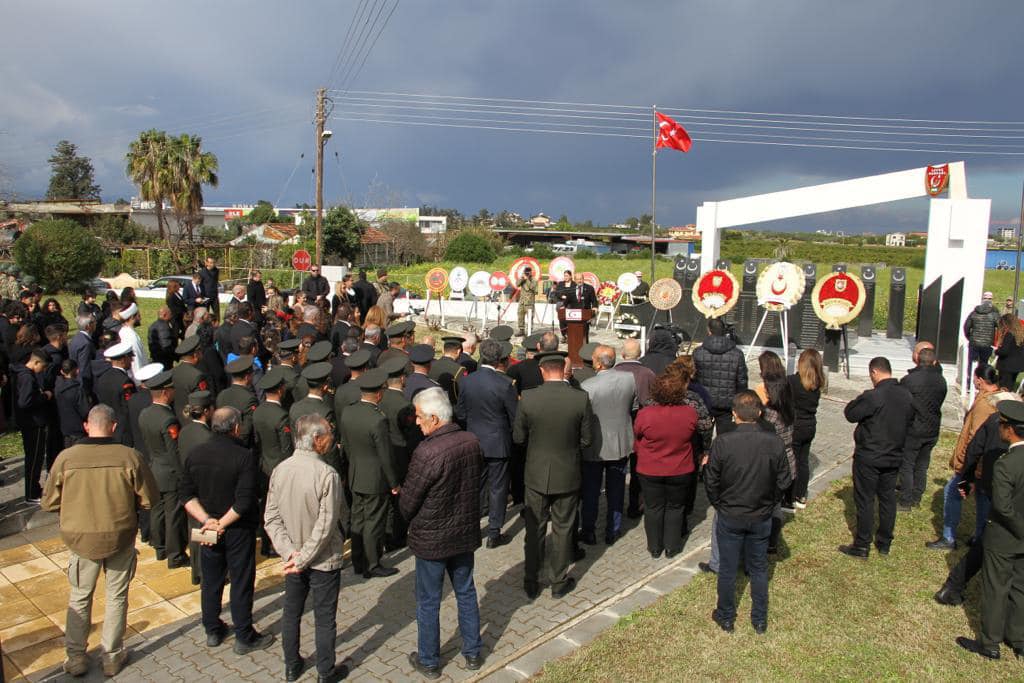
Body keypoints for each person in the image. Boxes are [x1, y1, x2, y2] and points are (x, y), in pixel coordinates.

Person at [41, 405, 159, 678]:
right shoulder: (130, 456)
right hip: (120, 535)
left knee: (80, 597)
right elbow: (149, 499)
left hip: (81, 539)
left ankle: (76, 658)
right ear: (114, 426)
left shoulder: (66, 458)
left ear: (86, 426)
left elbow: (49, 502)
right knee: (116, 597)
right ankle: (112, 657)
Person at [401, 387, 485, 678]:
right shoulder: (471, 441)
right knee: (466, 592)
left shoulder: (427, 452)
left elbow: (409, 501)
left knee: (428, 601)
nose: (416, 422)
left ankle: (429, 660)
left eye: (420, 417)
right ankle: (473, 652)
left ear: (435, 418)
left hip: (432, 540)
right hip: (463, 534)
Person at [179, 407, 273, 654]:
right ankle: (244, 635)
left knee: (211, 580)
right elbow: (243, 503)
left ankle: (212, 628)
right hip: (237, 528)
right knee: (241, 580)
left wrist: (208, 520)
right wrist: (221, 523)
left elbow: (186, 495)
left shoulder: (195, 454)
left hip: (207, 528)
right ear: (236, 427)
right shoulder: (243, 456)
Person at [264, 414, 345, 682]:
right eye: (329, 435)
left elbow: (271, 519)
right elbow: (326, 525)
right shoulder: (327, 474)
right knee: (324, 618)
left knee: (292, 612)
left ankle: (291, 665)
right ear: (318, 440)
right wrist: (301, 557)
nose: (332, 439)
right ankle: (325, 671)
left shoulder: (280, 470)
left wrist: (290, 553)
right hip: (322, 560)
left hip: (294, 558)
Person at [704, 391, 791, 634]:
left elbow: (711, 480)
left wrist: (720, 504)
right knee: (759, 568)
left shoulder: (722, 442)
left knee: (728, 568)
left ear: (734, 415)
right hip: (760, 515)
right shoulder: (773, 442)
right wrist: (770, 501)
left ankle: (726, 615)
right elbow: (784, 480)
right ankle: (759, 619)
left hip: (732, 514)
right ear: (760, 413)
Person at [513, 350, 593, 599]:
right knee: (563, 528)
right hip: (567, 472)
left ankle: (531, 579)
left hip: (536, 473)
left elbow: (518, 437)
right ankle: (558, 581)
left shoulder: (527, 397)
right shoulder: (580, 398)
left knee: (534, 528)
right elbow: (587, 439)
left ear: (542, 370)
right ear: (563, 368)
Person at [935, 390, 1020, 607]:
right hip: (993, 488)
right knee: (986, 537)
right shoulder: (996, 419)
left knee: (985, 534)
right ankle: (954, 581)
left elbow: (974, 448)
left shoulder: (993, 418)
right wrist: (967, 479)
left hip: (987, 484)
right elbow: (974, 448)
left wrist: (968, 477)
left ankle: (954, 583)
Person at [956, 400, 1024, 660]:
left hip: (1005, 536)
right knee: (1020, 587)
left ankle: (990, 643)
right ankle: (1018, 637)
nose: (1000, 429)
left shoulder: (1006, 463)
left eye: (1003, 425)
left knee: (997, 588)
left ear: (1011, 430)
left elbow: (1003, 507)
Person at [839, 357, 913, 558]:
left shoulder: (874, 396)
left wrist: (860, 398)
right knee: (887, 498)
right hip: (894, 455)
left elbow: (850, 413)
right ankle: (885, 542)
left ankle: (862, 544)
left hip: (870, 456)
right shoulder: (906, 395)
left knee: (865, 499)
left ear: (874, 372)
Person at [929, 364, 1002, 551]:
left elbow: (975, 439)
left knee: (952, 492)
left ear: (979, 380)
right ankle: (979, 537)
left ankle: (949, 537)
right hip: (987, 465)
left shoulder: (985, 405)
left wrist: (967, 468)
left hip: (973, 466)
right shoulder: (999, 397)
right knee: (983, 500)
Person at [456, 339, 518, 548]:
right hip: (498, 442)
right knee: (498, 488)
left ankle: (472, 528)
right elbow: (514, 416)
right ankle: (494, 532)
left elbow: (461, 413)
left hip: (474, 440)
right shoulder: (505, 384)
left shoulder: (467, 381)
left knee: (475, 486)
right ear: (500, 358)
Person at [340, 368, 401, 578]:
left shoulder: (349, 411)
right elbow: (385, 455)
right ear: (379, 394)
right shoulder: (378, 420)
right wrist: (394, 482)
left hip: (356, 474)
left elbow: (346, 444)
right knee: (374, 522)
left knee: (358, 519)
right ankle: (373, 564)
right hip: (375, 479)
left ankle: (358, 561)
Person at [633, 362, 699, 558]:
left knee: (653, 507)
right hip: (680, 468)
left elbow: (637, 435)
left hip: (650, 468)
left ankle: (654, 546)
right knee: (675, 507)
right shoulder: (689, 413)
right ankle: (671, 546)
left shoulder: (645, 414)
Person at [579, 345, 636, 546]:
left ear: (599, 362)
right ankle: (613, 529)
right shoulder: (629, 379)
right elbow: (632, 405)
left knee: (591, 491)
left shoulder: (588, 386)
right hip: (620, 442)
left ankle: (588, 530)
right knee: (617, 489)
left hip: (595, 445)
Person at [139, 369, 189, 569]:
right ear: (166, 393)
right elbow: (174, 452)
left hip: (154, 468)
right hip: (169, 473)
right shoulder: (168, 419)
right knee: (173, 515)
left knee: (157, 511)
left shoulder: (145, 413)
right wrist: (183, 475)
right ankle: (175, 554)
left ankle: (159, 546)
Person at [898, 346, 947, 509]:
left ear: (917, 360)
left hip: (913, 428)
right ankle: (916, 497)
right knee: (922, 465)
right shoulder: (941, 380)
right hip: (932, 428)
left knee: (907, 464)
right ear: (933, 362)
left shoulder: (908, 380)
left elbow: (903, 403)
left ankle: (905, 500)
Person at [253, 367, 295, 558]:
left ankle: (266, 543)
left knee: (267, 506)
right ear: (279, 390)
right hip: (279, 466)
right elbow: (286, 447)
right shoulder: (281, 416)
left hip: (264, 465)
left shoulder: (258, 411)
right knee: (282, 508)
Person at [693, 317, 748, 432]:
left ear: (709, 331)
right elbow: (742, 381)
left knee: (702, 440)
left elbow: (693, 378)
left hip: (703, 402)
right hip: (727, 405)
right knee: (724, 439)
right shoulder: (737, 354)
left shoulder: (698, 352)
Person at [14, 349, 53, 502]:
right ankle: (32, 492)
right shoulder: (28, 378)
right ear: (35, 362)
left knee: (34, 457)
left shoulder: (21, 373)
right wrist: (44, 396)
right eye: (42, 367)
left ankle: (34, 488)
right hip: (33, 423)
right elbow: (25, 402)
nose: (42, 370)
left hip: (29, 422)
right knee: (34, 458)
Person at [788, 349, 824, 509]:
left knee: (792, 461)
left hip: (795, 426)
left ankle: (789, 497)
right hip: (810, 425)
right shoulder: (818, 383)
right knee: (803, 461)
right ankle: (801, 495)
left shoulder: (793, 381)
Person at [94, 341, 136, 446]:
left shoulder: (102, 378)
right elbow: (129, 407)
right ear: (122, 360)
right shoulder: (125, 382)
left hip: (109, 427)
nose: (132, 360)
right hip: (125, 431)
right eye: (129, 357)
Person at [964, 291, 1000, 375]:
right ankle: (982, 381)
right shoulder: (994, 313)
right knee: (984, 364)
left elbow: (966, 327)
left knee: (971, 363)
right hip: (987, 343)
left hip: (974, 342)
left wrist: (969, 338)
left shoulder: (974, 312)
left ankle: (970, 382)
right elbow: (1000, 326)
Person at [55, 359, 89, 448]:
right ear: (76, 370)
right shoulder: (77, 389)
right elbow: (85, 410)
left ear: (62, 371)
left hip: (65, 429)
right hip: (78, 429)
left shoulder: (57, 388)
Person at [614, 338, 655, 407]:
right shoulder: (648, 373)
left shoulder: (612, 372)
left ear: (622, 353)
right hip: (642, 414)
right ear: (640, 353)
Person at [68, 313, 97, 397]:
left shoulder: (76, 337)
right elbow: (85, 368)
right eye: (94, 322)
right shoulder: (85, 344)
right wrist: (87, 391)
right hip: (83, 385)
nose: (96, 324)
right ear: (88, 326)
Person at [117, 302, 148, 377]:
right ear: (131, 317)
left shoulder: (126, 332)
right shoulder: (131, 337)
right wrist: (140, 383)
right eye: (138, 315)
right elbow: (136, 361)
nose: (140, 318)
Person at [995, 312, 1024, 390]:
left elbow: (1004, 351)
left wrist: (997, 351)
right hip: (1017, 365)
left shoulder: (1009, 334)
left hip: (1007, 365)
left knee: (1003, 387)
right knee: (1010, 385)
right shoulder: (1020, 334)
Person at [515, 267, 538, 336]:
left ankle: (529, 331)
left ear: (531, 272)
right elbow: (517, 284)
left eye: (528, 272)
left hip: (529, 302)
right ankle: (521, 330)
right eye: (526, 272)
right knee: (520, 315)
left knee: (530, 317)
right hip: (522, 301)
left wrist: (527, 279)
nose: (527, 273)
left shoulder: (534, 280)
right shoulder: (522, 278)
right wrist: (522, 278)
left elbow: (532, 288)